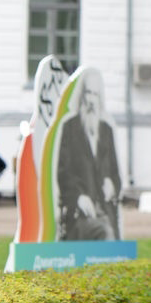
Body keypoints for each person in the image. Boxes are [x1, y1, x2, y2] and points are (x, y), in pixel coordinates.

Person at [54, 70, 122, 240]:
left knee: (109, 232)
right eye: (88, 93)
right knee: (106, 235)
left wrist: (112, 185)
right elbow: (63, 172)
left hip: (105, 210)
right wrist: (78, 197)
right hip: (81, 212)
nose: (91, 100)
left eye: (95, 95)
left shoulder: (106, 131)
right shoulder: (70, 128)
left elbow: (115, 173)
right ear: (82, 95)